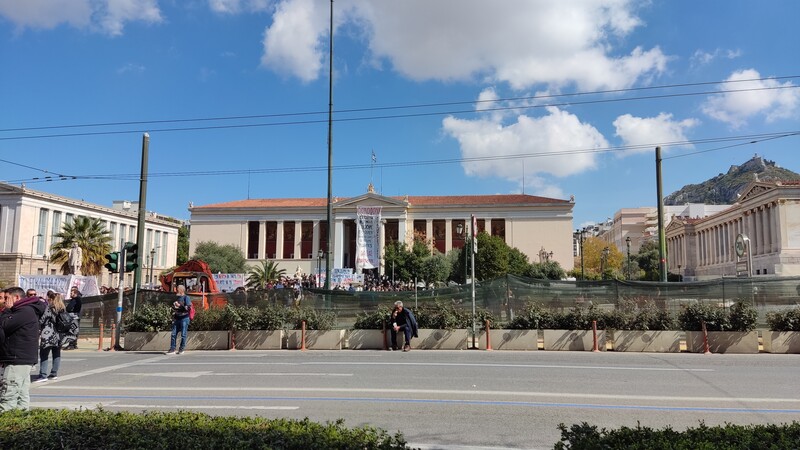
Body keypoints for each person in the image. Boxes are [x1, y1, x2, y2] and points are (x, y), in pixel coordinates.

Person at [0, 287, 46, 411]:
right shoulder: (26, 310)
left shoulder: (24, 311)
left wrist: (6, 311)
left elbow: (4, 325)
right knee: (21, 394)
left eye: (6, 298)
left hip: (17, 358)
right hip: (21, 358)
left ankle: (6, 425)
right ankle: (21, 423)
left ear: (16, 298)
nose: (4, 301)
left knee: (9, 395)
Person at [35, 292, 66, 382]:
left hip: (48, 334)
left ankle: (43, 375)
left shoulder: (49, 308)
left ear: (52, 299)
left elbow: (43, 320)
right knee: (56, 354)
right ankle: (54, 373)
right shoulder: (63, 308)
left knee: (44, 354)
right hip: (59, 334)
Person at [167, 285, 192, 355]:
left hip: (184, 318)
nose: (176, 291)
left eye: (177, 289)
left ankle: (181, 348)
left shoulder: (186, 298)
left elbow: (188, 308)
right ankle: (172, 348)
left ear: (181, 290)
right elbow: (175, 308)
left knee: (183, 334)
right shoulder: (177, 298)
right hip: (177, 318)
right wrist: (174, 306)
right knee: (173, 334)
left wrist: (179, 306)